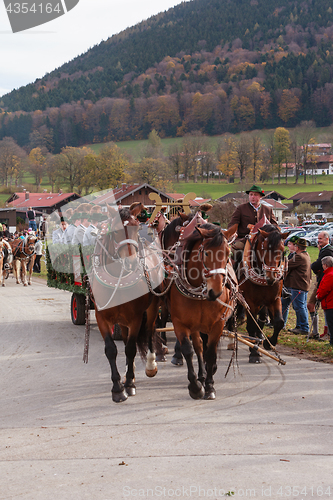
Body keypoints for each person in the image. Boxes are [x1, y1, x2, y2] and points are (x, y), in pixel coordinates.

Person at [227, 184, 278, 274]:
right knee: (237, 250)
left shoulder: (268, 209)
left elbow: (275, 226)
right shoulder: (241, 208)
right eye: (251, 195)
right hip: (245, 238)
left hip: (264, 239)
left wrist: (276, 234)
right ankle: (232, 273)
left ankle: (280, 275)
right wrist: (232, 233)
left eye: (255, 195)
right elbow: (232, 224)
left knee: (277, 252)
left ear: (261, 197)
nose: (252, 197)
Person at [281, 237, 311, 335]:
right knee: (287, 304)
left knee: (299, 307)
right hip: (296, 286)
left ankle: (304, 328)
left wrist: (282, 258)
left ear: (297, 247)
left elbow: (286, 265)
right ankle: (297, 326)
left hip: (297, 286)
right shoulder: (306, 255)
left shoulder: (299, 257)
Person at [307, 231, 333, 338]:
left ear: (327, 239)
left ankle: (325, 332)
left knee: (326, 308)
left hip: (324, 281)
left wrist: (314, 265)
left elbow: (317, 264)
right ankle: (316, 331)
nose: (318, 240)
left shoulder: (328, 251)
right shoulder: (323, 250)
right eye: (318, 238)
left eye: (321, 238)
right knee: (315, 306)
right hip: (321, 280)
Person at [316, 256, 333, 347]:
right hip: (330, 302)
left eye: (322, 264)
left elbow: (324, 289)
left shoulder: (329, 275)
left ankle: (332, 342)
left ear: (325, 265)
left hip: (330, 303)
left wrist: (318, 296)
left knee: (331, 323)